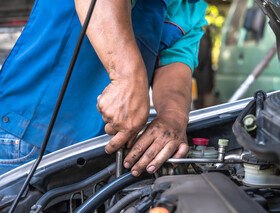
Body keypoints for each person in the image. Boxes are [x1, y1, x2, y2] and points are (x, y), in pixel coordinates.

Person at [0, 0, 207, 176]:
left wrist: (173, 117)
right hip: (25, 136)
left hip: (97, 153)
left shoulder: (189, 5)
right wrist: (128, 78)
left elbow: (175, 64)